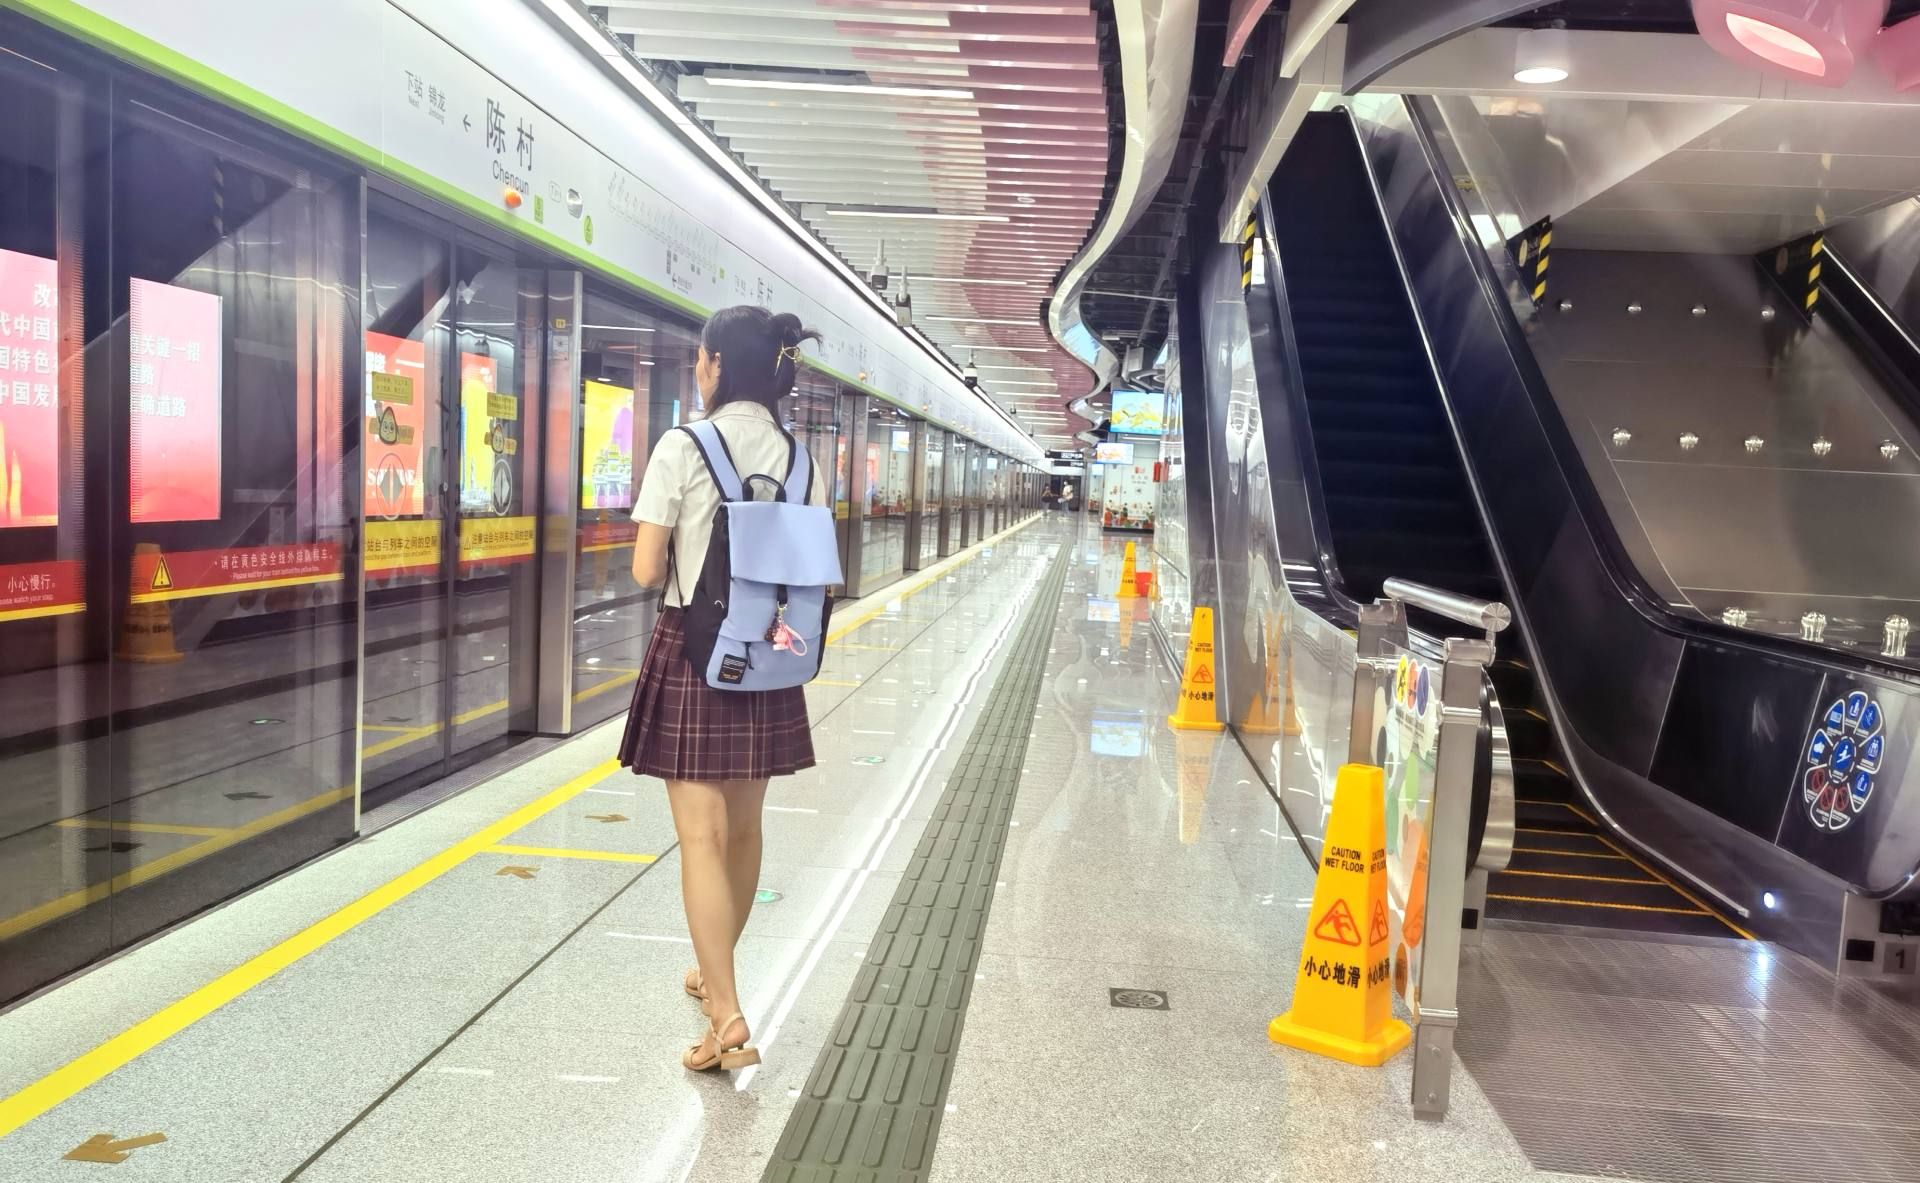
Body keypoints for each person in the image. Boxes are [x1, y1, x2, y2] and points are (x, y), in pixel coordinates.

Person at [623, 305, 826, 1073]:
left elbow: (647, 569)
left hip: (694, 649)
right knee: (743, 833)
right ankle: (715, 977)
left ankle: (727, 1010)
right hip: (770, 652)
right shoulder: (801, 460)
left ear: (715, 365)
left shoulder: (684, 446)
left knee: (700, 838)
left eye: (701, 358)